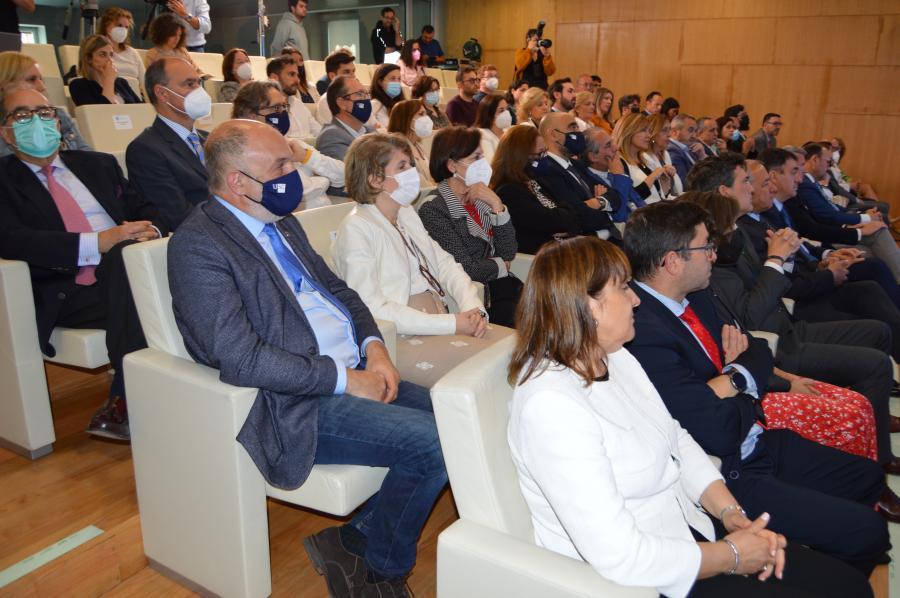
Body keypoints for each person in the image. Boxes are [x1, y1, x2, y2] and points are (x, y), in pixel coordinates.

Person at [508, 235, 875, 598]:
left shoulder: (615, 357)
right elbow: (621, 555)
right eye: (623, 288)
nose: (636, 299)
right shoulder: (551, 406)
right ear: (590, 308)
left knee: (848, 585)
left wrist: (730, 512)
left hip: (690, 529)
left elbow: (675, 438)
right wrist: (733, 555)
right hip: (648, 580)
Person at [168, 119, 445, 597]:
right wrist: (344, 378)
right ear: (238, 181)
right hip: (295, 401)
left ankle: (354, 538)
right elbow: (241, 358)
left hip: (350, 369)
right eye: (279, 165)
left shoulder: (281, 223)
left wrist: (373, 347)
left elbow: (341, 291)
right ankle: (377, 571)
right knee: (434, 442)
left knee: (459, 420)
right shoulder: (198, 246)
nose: (292, 174)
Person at [624, 200, 892, 572]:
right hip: (728, 471)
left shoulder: (696, 296)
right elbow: (715, 431)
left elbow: (759, 349)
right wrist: (741, 377)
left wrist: (732, 380)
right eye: (706, 248)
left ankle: (817, 554)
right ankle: (826, 570)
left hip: (756, 438)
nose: (714, 256)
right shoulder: (642, 332)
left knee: (868, 477)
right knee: (870, 533)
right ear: (672, 261)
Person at [0, 86, 167, 441]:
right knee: (128, 262)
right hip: (67, 288)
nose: (37, 122)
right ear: (5, 132)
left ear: (59, 124)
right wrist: (99, 242)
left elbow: (149, 210)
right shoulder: (4, 180)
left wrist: (150, 230)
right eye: (21, 115)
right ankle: (127, 397)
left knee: (139, 263)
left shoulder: (98, 164)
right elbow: (11, 238)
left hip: (129, 271)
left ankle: (136, 397)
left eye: (44, 113)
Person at [683, 188, 893, 468]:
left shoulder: (730, 250)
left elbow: (765, 293)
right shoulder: (710, 271)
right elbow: (751, 317)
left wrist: (788, 256)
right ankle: (873, 458)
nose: (735, 230)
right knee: (875, 365)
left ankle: (871, 431)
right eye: (748, 181)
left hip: (783, 327)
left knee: (877, 331)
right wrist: (776, 259)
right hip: (775, 344)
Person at [332, 133, 507, 387]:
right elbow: (372, 308)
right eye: (402, 167)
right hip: (400, 337)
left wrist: (472, 307)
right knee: (495, 374)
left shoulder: (405, 214)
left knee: (520, 352)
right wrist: (452, 323)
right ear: (375, 179)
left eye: (411, 165)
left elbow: (446, 264)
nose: (412, 172)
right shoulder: (356, 228)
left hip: (441, 318)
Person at [418, 126, 520, 327]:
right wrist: (501, 265)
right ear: (452, 166)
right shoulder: (434, 208)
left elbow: (509, 251)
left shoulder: (481, 197)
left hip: (503, 286)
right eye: (475, 158)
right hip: (481, 295)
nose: (483, 164)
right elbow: (466, 267)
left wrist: (497, 206)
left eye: (482, 156)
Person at [126, 57, 210, 230]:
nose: (199, 91)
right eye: (189, 84)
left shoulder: (210, 139)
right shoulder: (145, 150)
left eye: (198, 83)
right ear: (162, 93)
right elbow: (179, 215)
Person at [233, 81, 344, 208]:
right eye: (276, 108)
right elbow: (296, 191)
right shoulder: (242, 155)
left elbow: (343, 176)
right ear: (252, 116)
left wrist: (306, 157)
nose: (283, 112)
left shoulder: (292, 144)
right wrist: (324, 180)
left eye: (284, 106)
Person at [490, 124, 579, 254]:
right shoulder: (508, 192)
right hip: (540, 259)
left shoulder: (537, 182)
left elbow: (573, 215)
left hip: (560, 250)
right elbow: (553, 221)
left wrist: (564, 219)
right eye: (539, 154)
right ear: (520, 156)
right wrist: (563, 218)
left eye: (545, 152)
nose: (544, 158)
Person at [532, 112, 618, 240]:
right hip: (586, 245)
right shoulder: (546, 170)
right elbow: (578, 215)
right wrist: (603, 207)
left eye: (577, 127)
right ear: (553, 134)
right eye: (572, 127)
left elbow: (615, 196)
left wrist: (598, 201)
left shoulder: (576, 164)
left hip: (606, 239)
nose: (578, 132)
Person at [0, 52, 90, 156]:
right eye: (31, 80)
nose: (42, 87)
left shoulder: (58, 114)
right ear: (4, 85)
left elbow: (87, 155)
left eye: (41, 79)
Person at [580, 126, 645, 224]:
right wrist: (620, 176)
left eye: (612, 142)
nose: (616, 148)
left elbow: (640, 203)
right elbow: (619, 217)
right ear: (593, 156)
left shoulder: (613, 170)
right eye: (608, 145)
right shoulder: (589, 183)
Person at [612, 112, 676, 204]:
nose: (649, 136)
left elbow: (656, 197)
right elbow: (628, 200)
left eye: (649, 131)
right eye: (643, 130)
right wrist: (653, 176)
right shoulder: (617, 161)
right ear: (628, 131)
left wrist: (664, 185)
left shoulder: (643, 160)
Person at [69, 34, 143, 106]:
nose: (109, 60)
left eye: (111, 55)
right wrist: (109, 80)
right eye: (102, 54)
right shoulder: (79, 85)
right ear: (88, 59)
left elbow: (142, 109)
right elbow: (100, 114)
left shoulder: (121, 83)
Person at [316, 75, 375, 161]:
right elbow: (354, 171)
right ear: (342, 103)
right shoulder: (331, 136)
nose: (366, 99)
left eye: (367, 94)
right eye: (360, 94)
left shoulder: (371, 131)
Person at [267, 55, 321, 139]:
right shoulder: (265, 109)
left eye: (297, 75)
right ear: (274, 78)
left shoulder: (297, 103)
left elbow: (318, 132)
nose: (297, 80)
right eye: (291, 74)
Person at [386, 98, 434, 187]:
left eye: (426, 114)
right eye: (421, 114)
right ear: (406, 119)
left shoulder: (418, 145)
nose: (426, 118)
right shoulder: (398, 149)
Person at [98, 7, 145, 82]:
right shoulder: (98, 52)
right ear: (106, 26)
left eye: (126, 27)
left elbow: (144, 81)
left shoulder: (132, 53)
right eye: (119, 25)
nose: (123, 30)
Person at [642, 113, 682, 198]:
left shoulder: (665, 154)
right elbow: (658, 193)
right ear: (652, 133)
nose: (669, 134)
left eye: (669, 130)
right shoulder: (644, 157)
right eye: (664, 130)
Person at [314, 50, 356, 124]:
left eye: (353, 71)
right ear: (332, 76)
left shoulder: (357, 97)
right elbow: (338, 131)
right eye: (346, 72)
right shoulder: (326, 101)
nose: (353, 76)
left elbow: (371, 124)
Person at [474, 93, 511, 163]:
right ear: (489, 114)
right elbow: (492, 163)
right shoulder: (482, 135)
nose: (506, 113)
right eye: (501, 110)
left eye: (507, 109)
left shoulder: (508, 130)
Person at [369, 63, 403, 129]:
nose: (397, 82)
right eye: (392, 78)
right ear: (380, 82)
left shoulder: (402, 104)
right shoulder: (374, 105)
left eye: (399, 79)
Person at [668, 113, 699, 184]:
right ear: (674, 132)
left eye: (695, 131)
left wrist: (702, 155)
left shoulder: (690, 148)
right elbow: (684, 183)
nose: (694, 136)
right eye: (690, 130)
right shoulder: (672, 151)